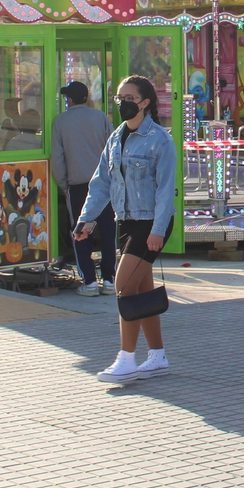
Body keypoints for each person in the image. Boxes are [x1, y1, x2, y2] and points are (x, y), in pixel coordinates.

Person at [75, 75, 177, 383]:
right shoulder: (116, 137)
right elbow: (101, 183)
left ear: (145, 102)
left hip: (151, 223)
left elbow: (165, 190)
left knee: (123, 287)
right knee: (141, 290)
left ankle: (126, 358)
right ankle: (157, 356)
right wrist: (86, 219)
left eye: (129, 98)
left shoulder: (160, 140)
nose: (122, 103)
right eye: (119, 97)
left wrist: (158, 231)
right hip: (126, 220)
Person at [51, 81, 115, 297]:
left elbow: (57, 158)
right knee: (108, 231)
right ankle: (109, 280)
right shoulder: (101, 118)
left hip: (77, 186)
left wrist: (63, 184)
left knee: (80, 232)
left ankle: (88, 281)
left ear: (69, 100)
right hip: (104, 185)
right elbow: (114, 149)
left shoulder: (61, 121)